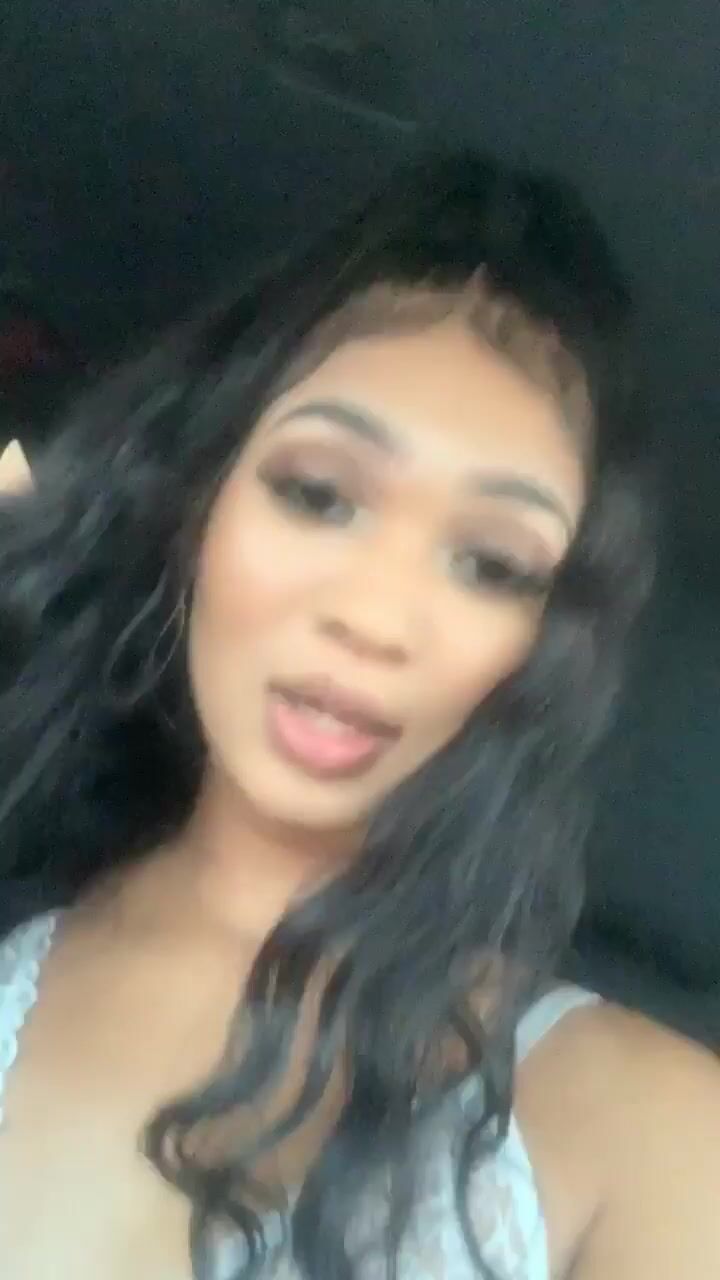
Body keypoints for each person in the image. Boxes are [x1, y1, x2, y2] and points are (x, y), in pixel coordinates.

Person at [0, 151, 717, 1280]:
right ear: (197, 509)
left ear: (544, 648)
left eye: (493, 563)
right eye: (318, 493)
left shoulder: (651, 1137)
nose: (376, 619)